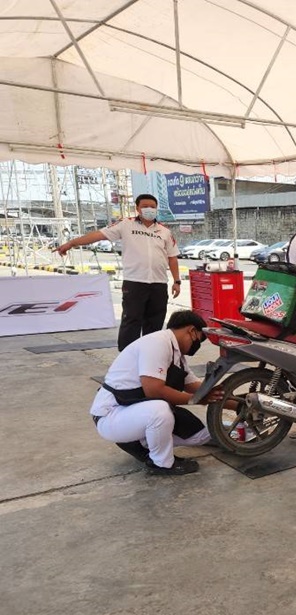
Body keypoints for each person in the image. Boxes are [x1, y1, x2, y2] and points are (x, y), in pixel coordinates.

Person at [90, 310, 225, 476]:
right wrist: (195, 400)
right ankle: (161, 463)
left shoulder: (176, 354)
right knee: (159, 411)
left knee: (202, 435)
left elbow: (198, 388)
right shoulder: (157, 343)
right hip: (113, 414)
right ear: (191, 331)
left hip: (134, 410)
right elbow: (154, 390)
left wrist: (240, 404)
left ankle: (141, 442)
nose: (197, 345)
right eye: (200, 339)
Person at [56, 194, 181, 351]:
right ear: (137, 208)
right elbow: (98, 235)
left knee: (155, 322)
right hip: (135, 282)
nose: (149, 209)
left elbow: (172, 258)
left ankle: (151, 354)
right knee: (131, 321)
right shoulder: (126, 224)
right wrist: (71, 243)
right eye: (145, 206)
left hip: (159, 284)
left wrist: (177, 281)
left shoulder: (165, 231)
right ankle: (127, 356)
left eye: (152, 206)